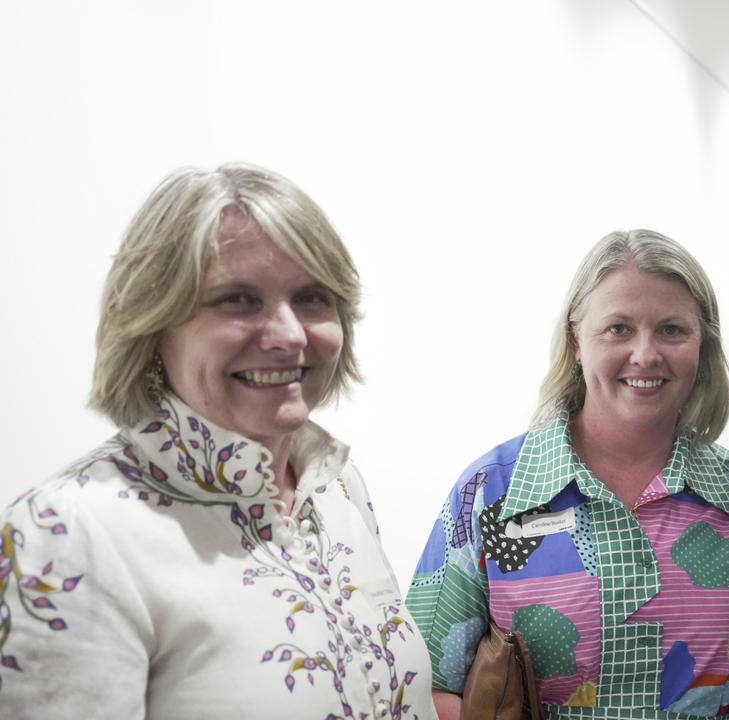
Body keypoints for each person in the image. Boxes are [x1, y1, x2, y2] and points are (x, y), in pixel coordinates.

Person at [0, 164, 436, 719]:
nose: (289, 335)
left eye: (311, 298)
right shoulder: (66, 535)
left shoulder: (336, 488)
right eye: (237, 300)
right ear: (152, 327)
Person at [405, 230, 729, 719]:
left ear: (702, 346)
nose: (645, 354)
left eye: (672, 330)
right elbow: (420, 685)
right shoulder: (491, 494)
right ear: (576, 342)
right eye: (618, 328)